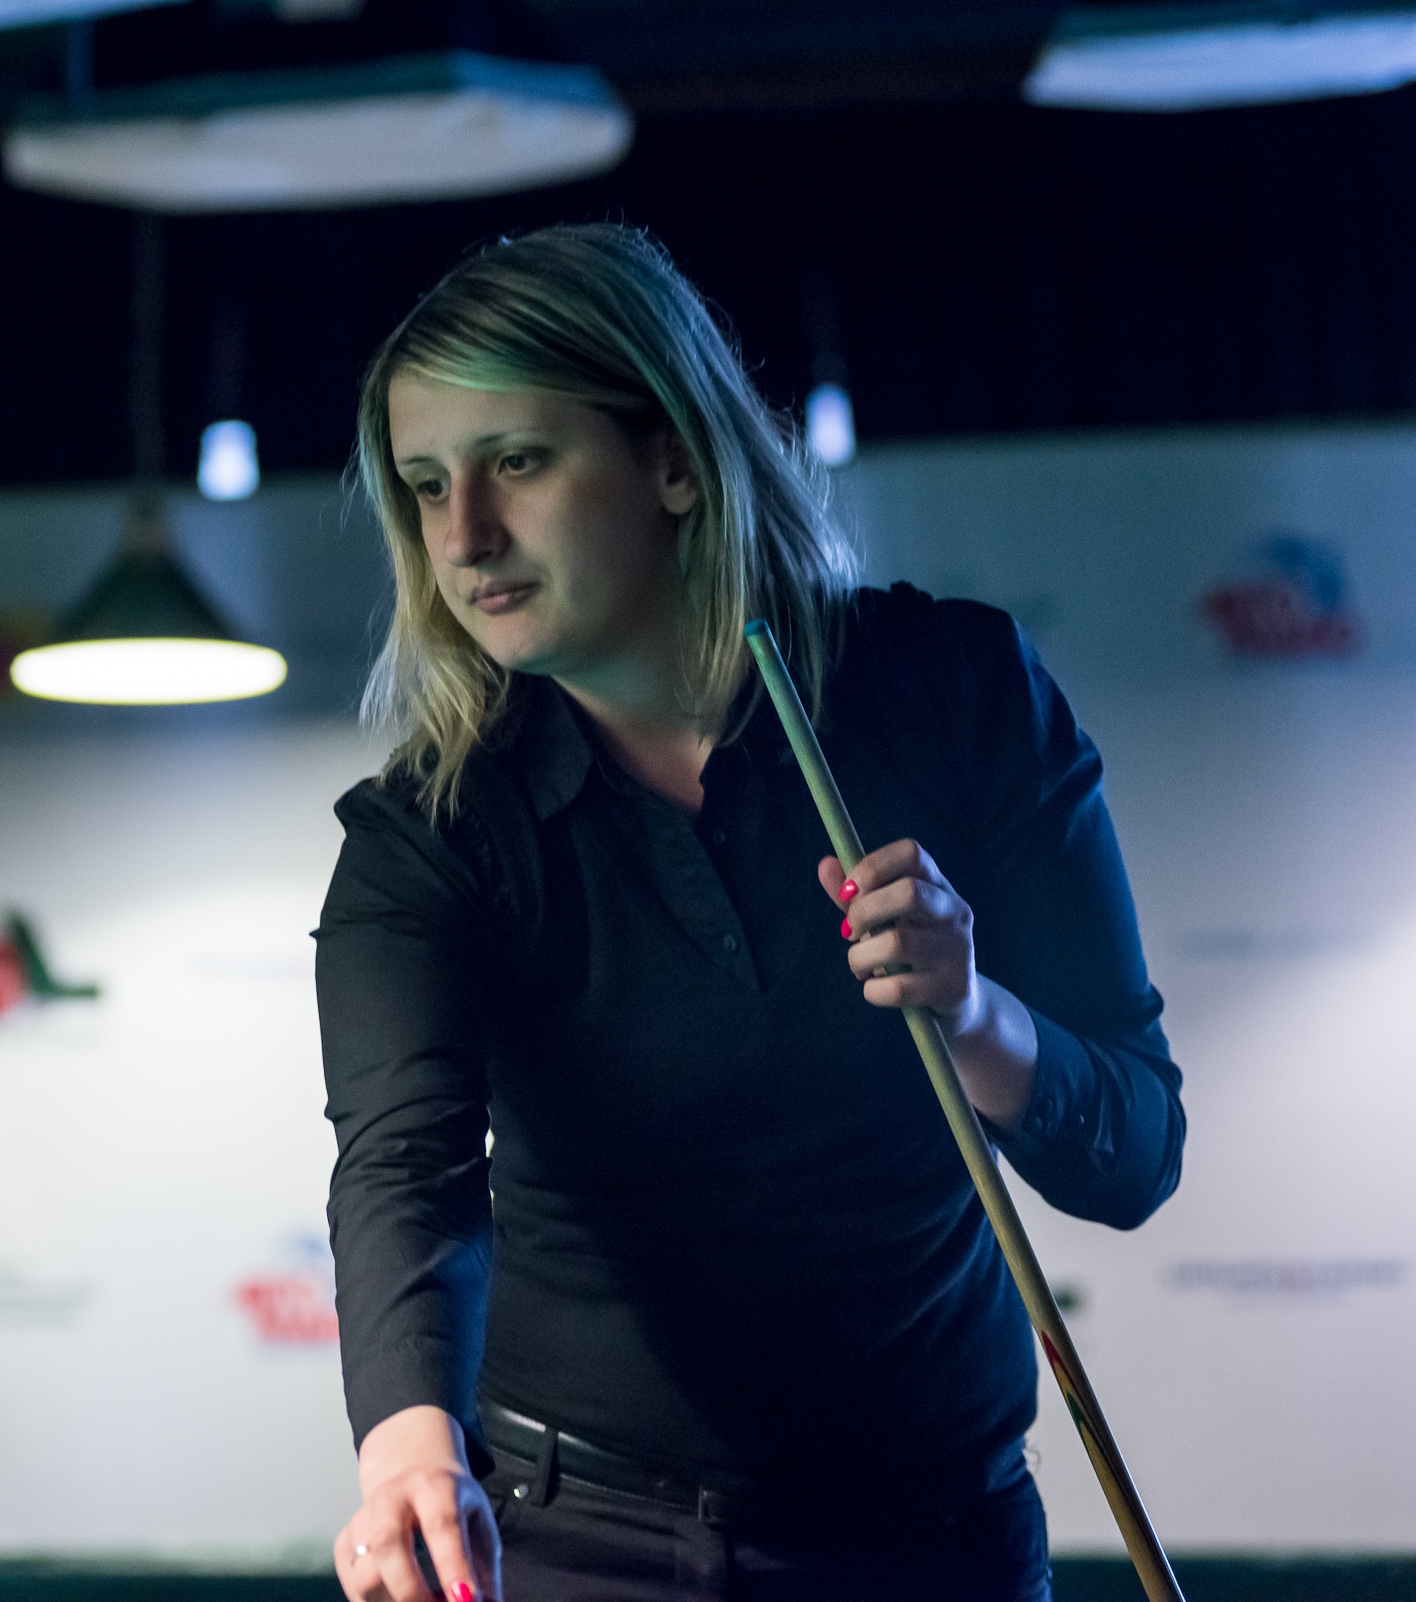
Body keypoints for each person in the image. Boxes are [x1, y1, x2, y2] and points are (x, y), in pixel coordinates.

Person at [315, 224, 1184, 1602]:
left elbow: (1134, 1155)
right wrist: (410, 1456)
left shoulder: (957, 694)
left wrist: (974, 1012)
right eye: (428, 487)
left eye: (517, 463)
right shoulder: (430, 831)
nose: (465, 535)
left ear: (674, 460)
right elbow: (405, 1170)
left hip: (937, 1543)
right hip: (575, 1544)